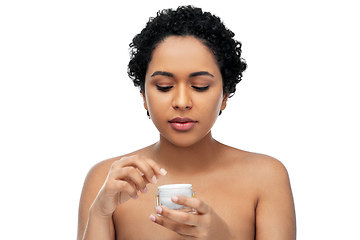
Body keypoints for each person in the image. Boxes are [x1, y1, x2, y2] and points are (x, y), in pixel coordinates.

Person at [77, 6, 296, 240]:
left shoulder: (265, 177)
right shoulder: (110, 181)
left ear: (225, 95)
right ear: (143, 95)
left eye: (200, 86)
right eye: (164, 86)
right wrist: (99, 213)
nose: (182, 102)